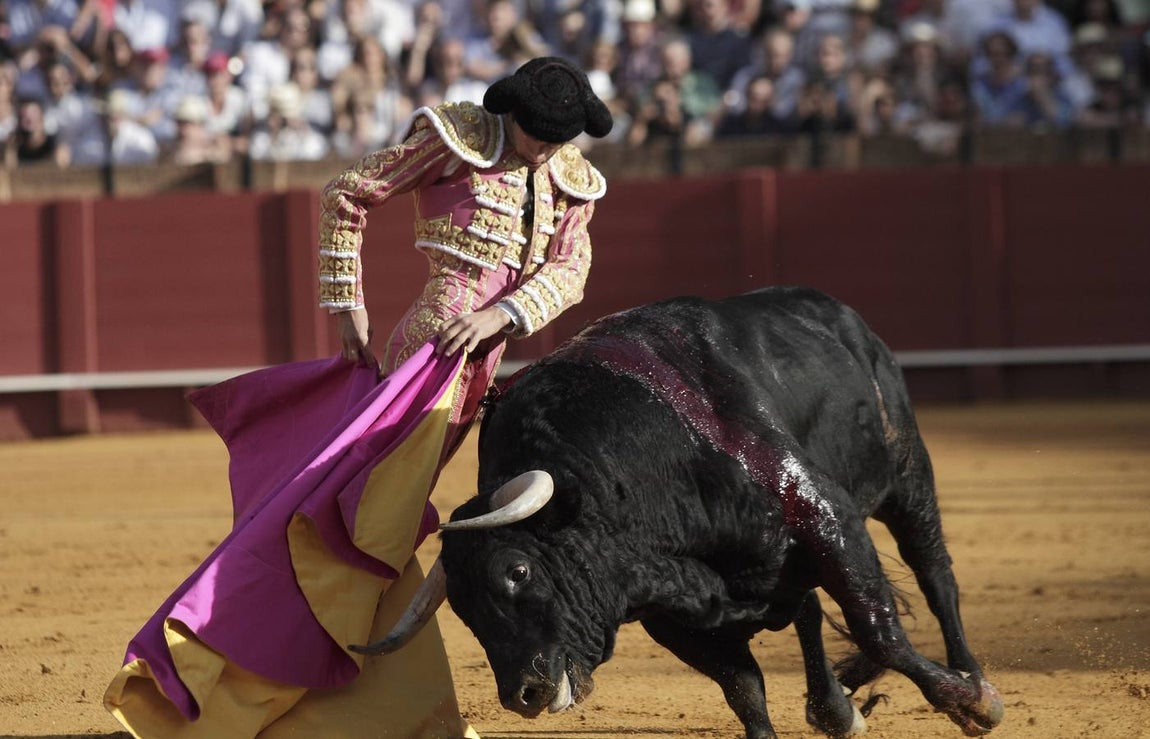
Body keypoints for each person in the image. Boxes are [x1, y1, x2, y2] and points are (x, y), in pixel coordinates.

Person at [103, 55, 613, 738]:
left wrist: (504, 315)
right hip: (429, 357)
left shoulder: (569, 178)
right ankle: (249, 689)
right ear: (510, 110)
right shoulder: (456, 138)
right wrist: (346, 303)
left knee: (384, 528)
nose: (545, 147)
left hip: (482, 361)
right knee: (368, 524)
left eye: (559, 136)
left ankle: (363, 696)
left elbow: (571, 267)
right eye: (535, 131)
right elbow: (347, 190)